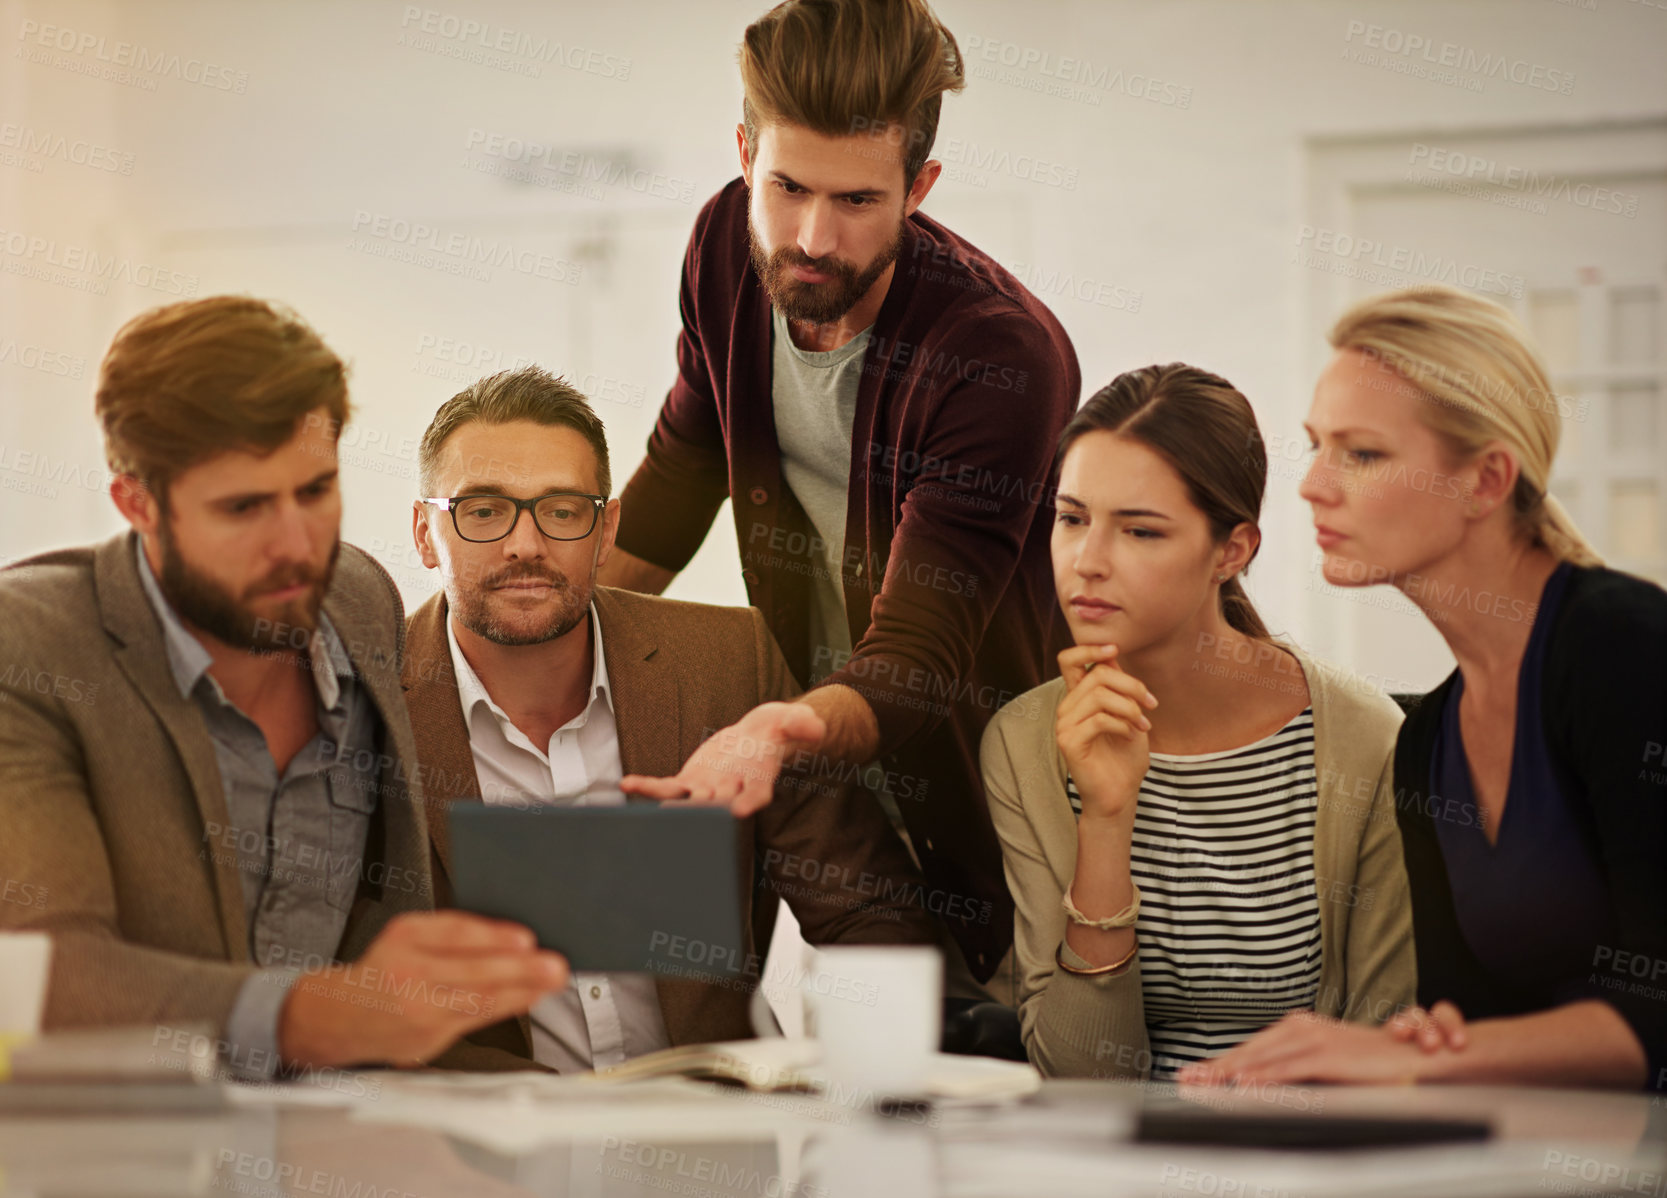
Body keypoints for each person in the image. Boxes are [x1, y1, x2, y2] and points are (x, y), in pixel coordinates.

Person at [599, 0, 1080, 992]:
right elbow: (684, 465)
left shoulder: (993, 351)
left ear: (920, 185)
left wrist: (774, 726)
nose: (811, 238)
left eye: (857, 202)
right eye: (785, 186)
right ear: (743, 152)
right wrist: (529, 614)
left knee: (997, 1081)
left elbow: (919, 658)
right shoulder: (723, 247)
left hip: (992, 796)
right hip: (828, 784)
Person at [0, 296, 567, 1079]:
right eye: (243, 508)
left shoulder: (359, 598)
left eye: (314, 491)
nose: (297, 545)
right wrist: (311, 1016)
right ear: (137, 506)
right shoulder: (29, 647)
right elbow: (38, 967)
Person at [1190, 285, 1667, 1091]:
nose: (1311, 486)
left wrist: (1396, 1054)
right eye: (1316, 446)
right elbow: (1469, 1021)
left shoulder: (1624, 650)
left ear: (1483, 481)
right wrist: (1420, 1044)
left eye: (1362, 453)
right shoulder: (1426, 741)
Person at [405, 366, 938, 1071]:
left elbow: (866, 908)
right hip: (488, 1154)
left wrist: (860, 1083)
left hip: (718, 1135)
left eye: (562, 509)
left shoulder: (726, 660)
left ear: (607, 529)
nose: (524, 545)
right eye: (481, 510)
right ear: (423, 532)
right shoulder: (371, 702)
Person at [982, 364, 1415, 1080]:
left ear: (1231, 551)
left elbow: (1377, 1059)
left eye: (1140, 532)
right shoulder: (1026, 743)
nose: (1085, 562)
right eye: (1070, 519)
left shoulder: (1365, 739)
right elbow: (1081, 1078)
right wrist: (1105, 818)